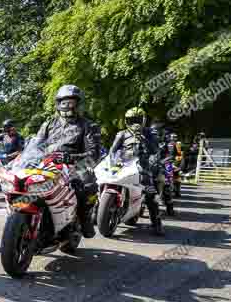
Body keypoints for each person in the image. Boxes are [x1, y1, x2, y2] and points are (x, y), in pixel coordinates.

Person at [33, 84, 101, 238]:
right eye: (64, 102)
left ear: (78, 104)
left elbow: (94, 154)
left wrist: (72, 158)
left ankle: (85, 222)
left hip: (75, 165)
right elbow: (35, 145)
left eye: (71, 102)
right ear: (58, 104)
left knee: (82, 186)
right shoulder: (49, 123)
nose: (67, 106)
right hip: (47, 163)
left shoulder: (87, 125)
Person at [109, 107, 164, 236]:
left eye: (138, 120)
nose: (135, 123)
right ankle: (97, 212)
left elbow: (155, 150)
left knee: (151, 194)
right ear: (127, 121)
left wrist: (144, 138)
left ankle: (157, 224)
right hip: (123, 165)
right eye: (132, 120)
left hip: (142, 167)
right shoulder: (121, 134)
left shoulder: (150, 134)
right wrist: (112, 162)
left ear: (143, 120)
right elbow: (112, 150)